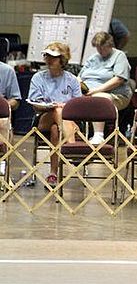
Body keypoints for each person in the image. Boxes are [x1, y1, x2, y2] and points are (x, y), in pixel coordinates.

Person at [28, 42, 82, 186]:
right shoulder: (38, 78)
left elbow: (78, 106)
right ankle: (73, 147)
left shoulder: (72, 80)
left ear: (62, 59)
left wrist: (65, 107)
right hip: (43, 118)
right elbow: (34, 104)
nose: (49, 59)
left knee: (55, 130)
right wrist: (53, 107)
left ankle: (53, 173)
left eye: (53, 57)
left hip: (67, 121)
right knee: (57, 110)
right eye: (47, 56)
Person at [78, 32, 132, 145]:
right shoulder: (93, 58)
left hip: (115, 94)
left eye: (102, 48)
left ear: (110, 45)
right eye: (97, 48)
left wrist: (96, 90)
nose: (100, 51)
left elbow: (119, 79)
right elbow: (80, 76)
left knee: (99, 99)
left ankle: (98, 135)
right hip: (88, 92)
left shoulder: (119, 56)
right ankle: (73, 135)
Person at [0, 58, 21, 175]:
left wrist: (4, 105)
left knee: (3, 121)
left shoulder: (7, 71)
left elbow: (15, 100)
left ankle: (3, 164)